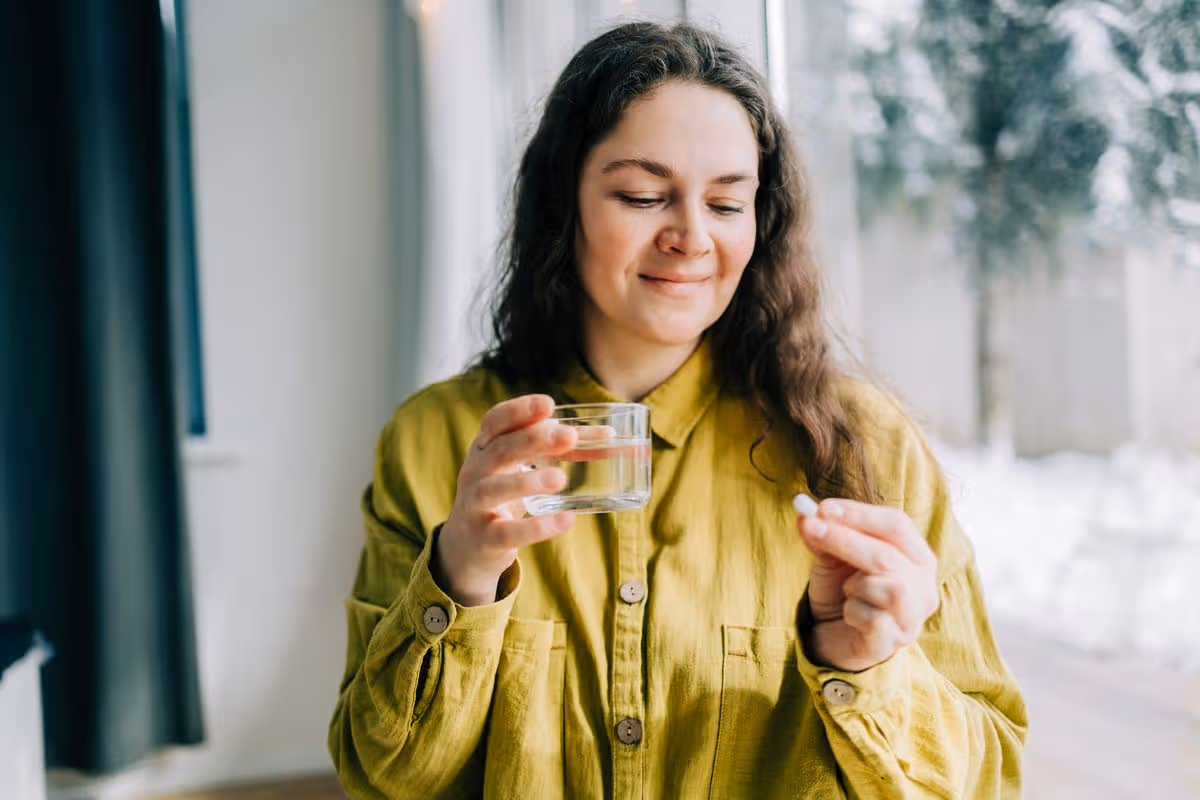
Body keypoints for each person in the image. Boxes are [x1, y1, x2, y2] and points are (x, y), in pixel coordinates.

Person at [328, 21, 1027, 799]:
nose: (691, 238)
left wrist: (867, 665)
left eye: (727, 204)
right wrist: (459, 580)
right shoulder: (435, 442)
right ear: (564, 203)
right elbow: (384, 774)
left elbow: (989, 777)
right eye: (642, 196)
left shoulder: (867, 447)